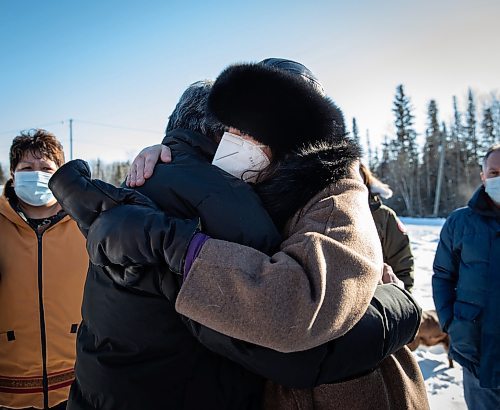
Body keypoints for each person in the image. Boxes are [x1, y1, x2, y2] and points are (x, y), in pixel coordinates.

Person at [68, 60, 428, 409]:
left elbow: (299, 319)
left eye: (262, 127)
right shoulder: (241, 187)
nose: (244, 139)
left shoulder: (334, 193)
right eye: (235, 127)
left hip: (353, 393)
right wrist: (171, 152)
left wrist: (401, 307)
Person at [0, 130, 88, 410]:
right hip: (10, 391)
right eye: (27, 168)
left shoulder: (87, 224)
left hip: (77, 386)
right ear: (13, 174)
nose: (36, 174)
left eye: (46, 168)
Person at [433, 143, 500, 410]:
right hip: (476, 354)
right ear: (483, 176)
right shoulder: (459, 222)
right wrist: (451, 323)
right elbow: (442, 276)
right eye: (494, 172)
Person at [359, 163, 415, 292]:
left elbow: (403, 265)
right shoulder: (321, 214)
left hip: (379, 301)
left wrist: (400, 299)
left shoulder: (383, 216)